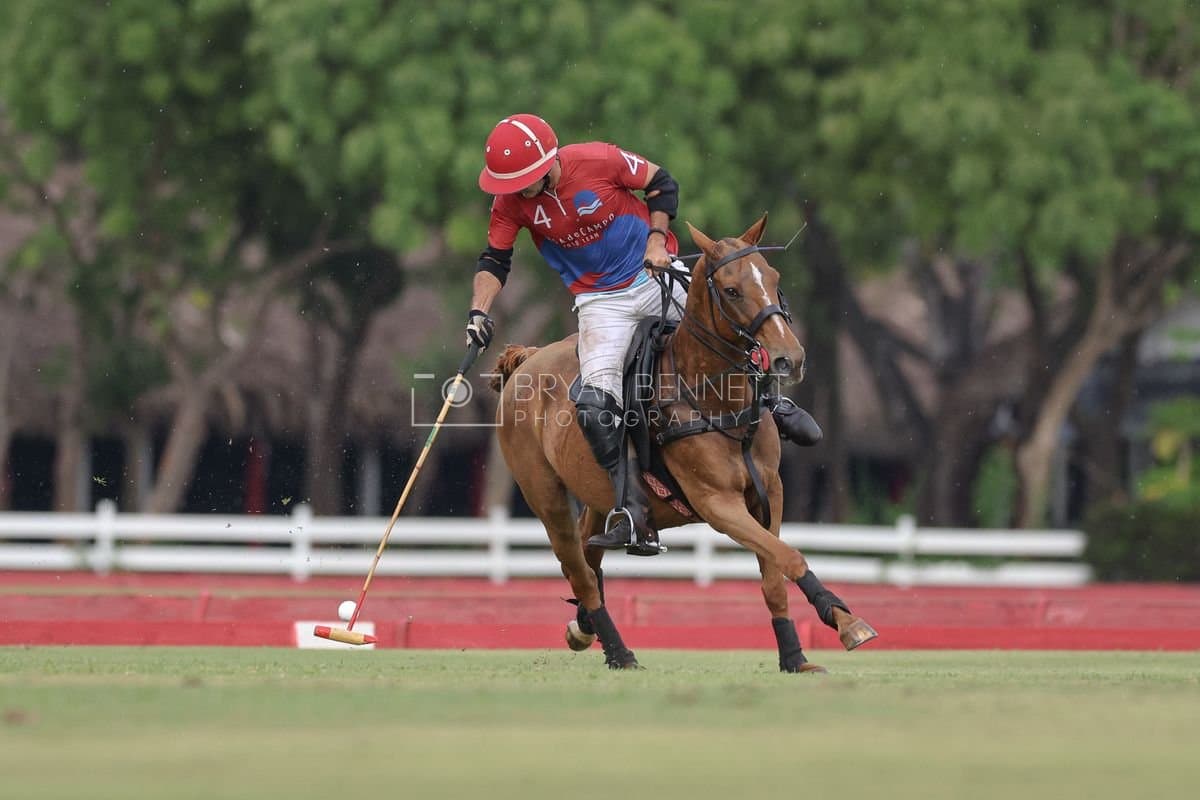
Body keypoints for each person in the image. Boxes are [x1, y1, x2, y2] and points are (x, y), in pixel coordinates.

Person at [466, 114, 821, 553]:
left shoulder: (597, 160)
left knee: (730, 327)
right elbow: (494, 261)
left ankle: (774, 401)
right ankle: (630, 509)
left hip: (653, 272)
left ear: (548, 162)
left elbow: (663, 183)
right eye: (512, 183)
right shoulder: (511, 203)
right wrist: (479, 311)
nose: (520, 190)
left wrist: (656, 240)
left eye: (526, 180)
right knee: (595, 406)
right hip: (600, 303)